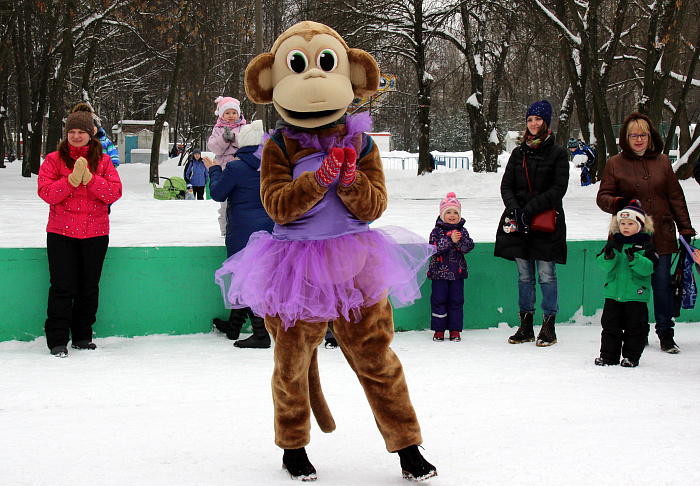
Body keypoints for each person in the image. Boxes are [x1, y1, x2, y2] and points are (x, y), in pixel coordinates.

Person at [219, 21, 437, 481]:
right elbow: (277, 207)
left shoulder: (359, 142)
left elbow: (375, 205)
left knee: (377, 359)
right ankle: (293, 447)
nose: (314, 81)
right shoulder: (278, 145)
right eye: (297, 67)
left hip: (358, 264)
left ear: (353, 75)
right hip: (295, 266)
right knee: (293, 362)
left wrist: (351, 178)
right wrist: (317, 182)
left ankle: (407, 445)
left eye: (325, 66)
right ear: (271, 81)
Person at [597, 113, 695, 354]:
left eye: (643, 135)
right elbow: (603, 198)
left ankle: (666, 333)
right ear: (626, 138)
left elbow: (675, 197)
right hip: (627, 239)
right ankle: (637, 333)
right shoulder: (615, 164)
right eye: (633, 135)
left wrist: (685, 227)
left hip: (660, 235)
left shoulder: (662, 162)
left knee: (662, 286)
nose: (638, 139)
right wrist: (619, 202)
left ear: (650, 137)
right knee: (633, 289)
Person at [37, 104, 122, 357]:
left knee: (88, 287)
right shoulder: (53, 159)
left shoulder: (104, 161)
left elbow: (114, 192)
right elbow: (46, 193)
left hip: (95, 234)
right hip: (61, 234)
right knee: (62, 287)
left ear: (90, 133)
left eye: (81, 131)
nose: (76, 136)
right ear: (66, 133)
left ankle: (83, 336)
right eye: (71, 131)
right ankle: (58, 340)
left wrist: (90, 179)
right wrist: (70, 181)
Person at [494, 99, 569, 347]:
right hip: (520, 224)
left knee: (547, 275)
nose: (533, 123)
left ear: (545, 122)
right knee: (524, 275)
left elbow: (558, 188)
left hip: (546, 224)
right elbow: (506, 185)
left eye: (537, 119)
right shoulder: (519, 152)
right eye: (529, 120)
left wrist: (530, 209)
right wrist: (516, 210)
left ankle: (549, 326)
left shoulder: (558, 153)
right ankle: (526, 325)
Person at [205, 120, 274, 348]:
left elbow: (217, 194)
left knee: (245, 279)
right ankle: (233, 327)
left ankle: (261, 334)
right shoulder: (272, 165)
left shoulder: (235, 167)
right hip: (270, 230)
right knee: (251, 277)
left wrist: (214, 169)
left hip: (243, 231)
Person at [595, 203, 658, 367]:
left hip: (635, 295)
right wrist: (608, 257)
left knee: (635, 328)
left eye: (631, 224)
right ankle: (608, 356)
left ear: (640, 225)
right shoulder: (614, 243)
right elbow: (602, 264)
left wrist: (636, 259)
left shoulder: (647, 246)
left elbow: (650, 268)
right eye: (622, 224)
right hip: (613, 294)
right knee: (610, 326)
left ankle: (631, 357)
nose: (626, 227)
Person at [427, 192, 474, 342]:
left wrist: (458, 241)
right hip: (439, 275)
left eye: (455, 212)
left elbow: (468, 246)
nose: (452, 215)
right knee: (438, 301)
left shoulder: (462, 231)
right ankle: (439, 330)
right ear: (442, 214)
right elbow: (434, 247)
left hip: (457, 274)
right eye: (448, 212)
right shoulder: (437, 231)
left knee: (456, 301)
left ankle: (455, 330)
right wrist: (448, 239)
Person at [207, 96, 247, 235]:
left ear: (239, 114)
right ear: (221, 115)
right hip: (225, 170)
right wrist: (224, 139)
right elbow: (214, 147)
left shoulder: (244, 128)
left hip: (242, 169)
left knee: (242, 200)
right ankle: (225, 230)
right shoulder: (217, 129)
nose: (231, 116)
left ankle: (242, 228)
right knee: (224, 204)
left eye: (234, 112)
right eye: (227, 113)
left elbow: (249, 143)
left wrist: (234, 138)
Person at [71, 103, 120, 168]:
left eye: (94, 126)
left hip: (102, 171)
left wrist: (109, 168)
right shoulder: (76, 141)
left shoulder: (105, 141)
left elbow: (114, 156)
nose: (92, 129)